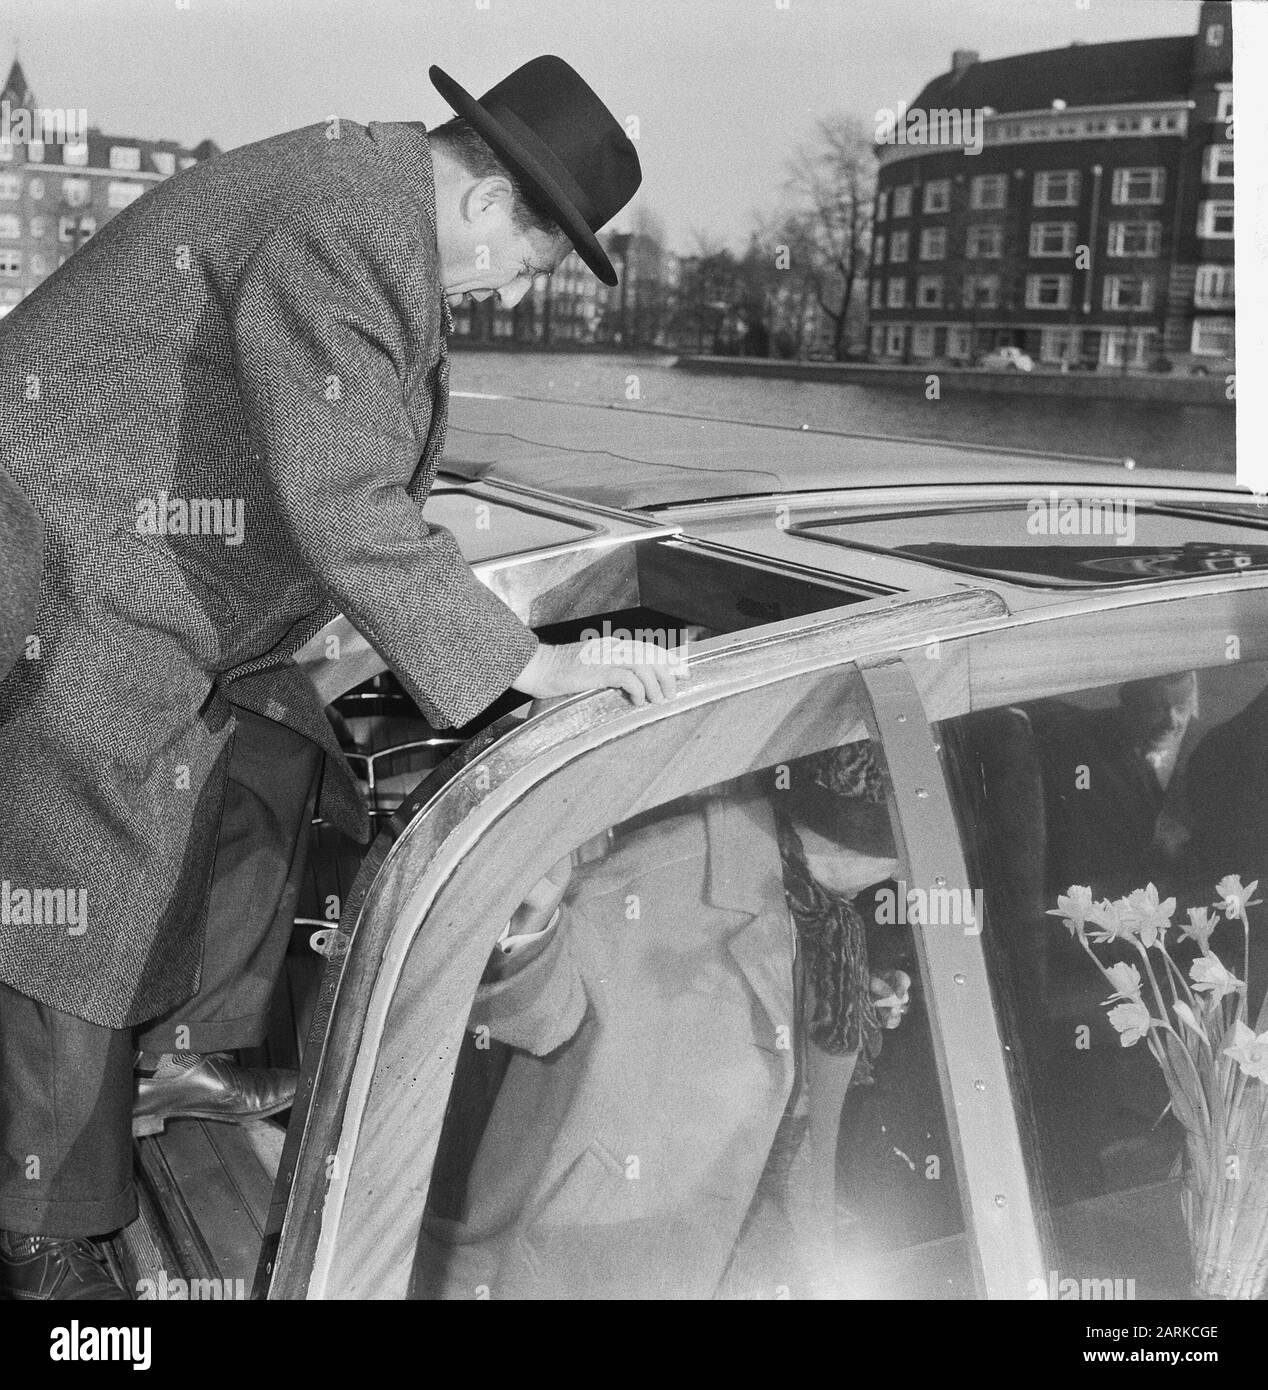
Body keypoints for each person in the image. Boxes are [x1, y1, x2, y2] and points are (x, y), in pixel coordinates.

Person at [0, 55, 684, 1300]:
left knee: (282, 754)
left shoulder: (364, 203)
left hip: (154, 556)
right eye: (531, 261)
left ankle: (172, 1051)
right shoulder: (349, 226)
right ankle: (43, 1228)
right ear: (485, 201)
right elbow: (342, 495)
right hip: (75, 551)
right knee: (85, 854)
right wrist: (525, 659)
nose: (516, 290)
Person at [414, 742, 910, 1300]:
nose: (912, 872)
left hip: (711, 1264)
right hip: (567, 1266)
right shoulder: (667, 868)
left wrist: (843, 1001)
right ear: (867, 829)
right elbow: (535, 1013)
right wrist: (533, 918)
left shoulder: (828, 917)